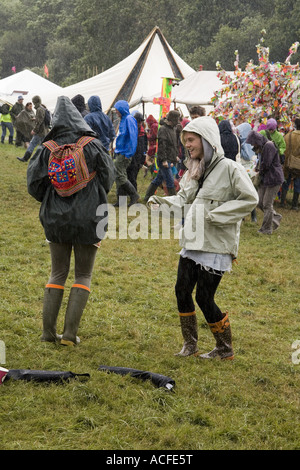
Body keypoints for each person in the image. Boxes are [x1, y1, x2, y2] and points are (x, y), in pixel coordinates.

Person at [148, 116, 258, 360]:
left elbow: (250, 198)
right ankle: (190, 345)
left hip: (216, 245)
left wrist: (218, 215)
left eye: (191, 139)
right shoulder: (194, 169)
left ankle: (224, 348)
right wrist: (160, 202)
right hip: (193, 240)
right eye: (185, 140)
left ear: (206, 139)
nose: (187, 144)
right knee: (181, 291)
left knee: (204, 297)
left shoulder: (230, 168)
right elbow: (183, 201)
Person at [27, 96, 115, 346]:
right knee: (83, 274)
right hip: (90, 218)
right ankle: (69, 335)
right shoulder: (93, 144)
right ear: (78, 116)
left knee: (57, 272)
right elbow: (108, 179)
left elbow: (33, 185)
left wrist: (52, 197)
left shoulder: (47, 147)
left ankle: (47, 333)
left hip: (55, 219)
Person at [246, 130, 284, 234]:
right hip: (265, 178)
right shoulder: (261, 147)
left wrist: (258, 172)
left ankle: (266, 229)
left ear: (256, 140)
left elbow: (266, 163)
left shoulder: (269, 146)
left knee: (267, 204)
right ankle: (275, 217)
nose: (252, 145)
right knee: (259, 202)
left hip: (273, 178)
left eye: (252, 142)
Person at [144, 110, 180, 202]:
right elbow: (162, 145)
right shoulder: (163, 129)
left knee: (158, 180)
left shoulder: (173, 128)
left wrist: (175, 156)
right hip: (163, 159)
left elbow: (174, 144)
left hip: (169, 158)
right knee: (170, 181)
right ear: (171, 120)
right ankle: (174, 201)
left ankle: (147, 197)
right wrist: (164, 160)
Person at [113, 100, 139, 206]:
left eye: (117, 110)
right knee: (120, 175)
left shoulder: (129, 119)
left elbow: (133, 137)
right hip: (120, 151)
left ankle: (134, 195)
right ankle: (121, 201)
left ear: (121, 109)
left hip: (125, 152)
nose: (115, 112)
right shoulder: (123, 119)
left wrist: (129, 153)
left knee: (119, 174)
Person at [237, 122, 258, 222]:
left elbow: (248, 156)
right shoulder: (252, 140)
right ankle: (247, 216)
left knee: (246, 192)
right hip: (251, 169)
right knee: (249, 192)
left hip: (247, 170)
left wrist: (240, 149)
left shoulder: (246, 143)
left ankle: (252, 216)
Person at [17, 95, 49, 162]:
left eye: (33, 101)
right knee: (41, 146)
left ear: (35, 101)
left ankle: (26, 159)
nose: (33, 103)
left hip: (40, 131)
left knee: (36, 145)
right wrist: (35, 119)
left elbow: (39, 122)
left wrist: (34, 130)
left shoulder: (39, 109)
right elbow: (41, 119)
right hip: (44, 131)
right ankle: (42, 160)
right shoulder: (42, 108)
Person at [281, 117, 300, 210]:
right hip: (298, 164)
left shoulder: (288, 135)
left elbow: (284, 149)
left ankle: (282, 202)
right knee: (297, 183)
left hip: (288, 162)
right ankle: (294, 204)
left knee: (286, 181)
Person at [125, 111, 147, 191]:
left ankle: (134, 197)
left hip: (137, 160)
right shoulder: (129, 130)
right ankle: (122, 200)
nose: (139, 124)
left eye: (140, 122)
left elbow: (144, 147)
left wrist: (142, 160)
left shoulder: (142, 132)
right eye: (138, 122)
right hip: (128, 158)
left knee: (132, 178)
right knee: (123, 180)